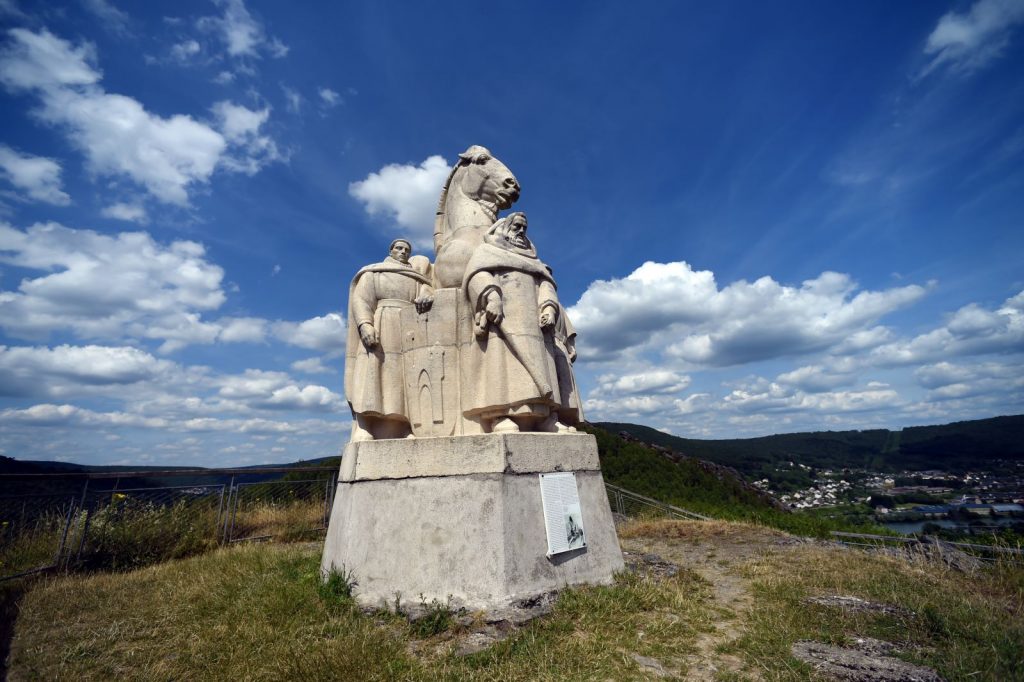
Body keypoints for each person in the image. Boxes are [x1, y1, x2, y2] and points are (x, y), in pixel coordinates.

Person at [461, 213, 572, 433]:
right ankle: (501, 415)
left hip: (535, 324)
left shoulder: (534, 261)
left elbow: (546, 285)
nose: (521, 231)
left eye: (525, 228)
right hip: (503, 318)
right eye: (517, 226)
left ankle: (545, 417)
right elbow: (477, 275)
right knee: (503, 367)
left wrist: (548, 307)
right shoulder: (487, 252)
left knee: (542, 366)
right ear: (504, 228)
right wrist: (491, 296)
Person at [344, 239, 433, 440]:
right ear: (391, 251)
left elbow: (427, 289)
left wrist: (427, 295)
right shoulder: (374, 272)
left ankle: (405, 426)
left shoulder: (415, 277)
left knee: (405, 377)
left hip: (409, 327)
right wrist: (365, 324)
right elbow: (362, 300)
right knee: (371, 373)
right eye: (399, 248)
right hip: (381, 323)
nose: (403, 252)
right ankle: (365, 426)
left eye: (407, 250)